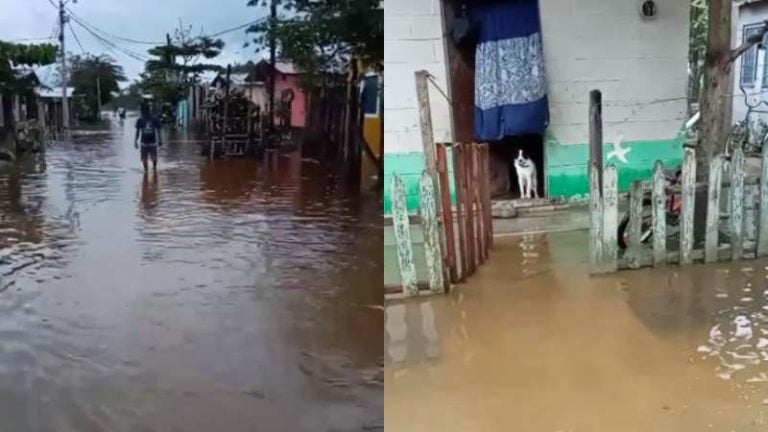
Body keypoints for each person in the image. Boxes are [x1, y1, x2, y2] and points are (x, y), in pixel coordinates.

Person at [135, 104, 162, 171]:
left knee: (148, 157)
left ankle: (149, 170)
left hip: (147, 141)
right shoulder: (142, 119)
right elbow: (138, 131)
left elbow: (137, 132)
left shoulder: (142, 119)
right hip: (148, 141)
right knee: (150, 157)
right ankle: (152, 169)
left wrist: (135, 141)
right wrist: (160, 140)